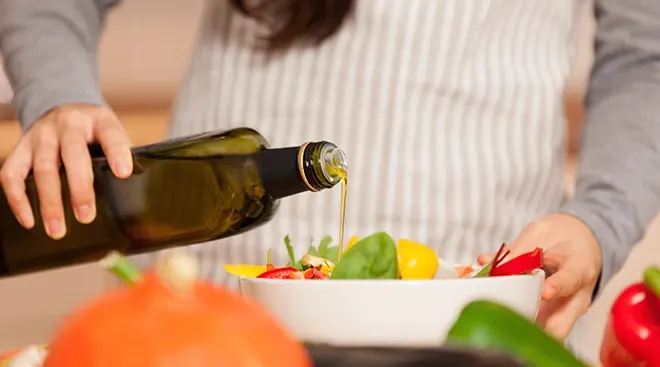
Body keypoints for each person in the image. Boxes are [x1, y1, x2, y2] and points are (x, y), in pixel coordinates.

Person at [1, 0, 659, 361]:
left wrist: (597, 219)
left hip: (476, 309)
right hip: (210, 317)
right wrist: (58, 94)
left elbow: (646, 55)